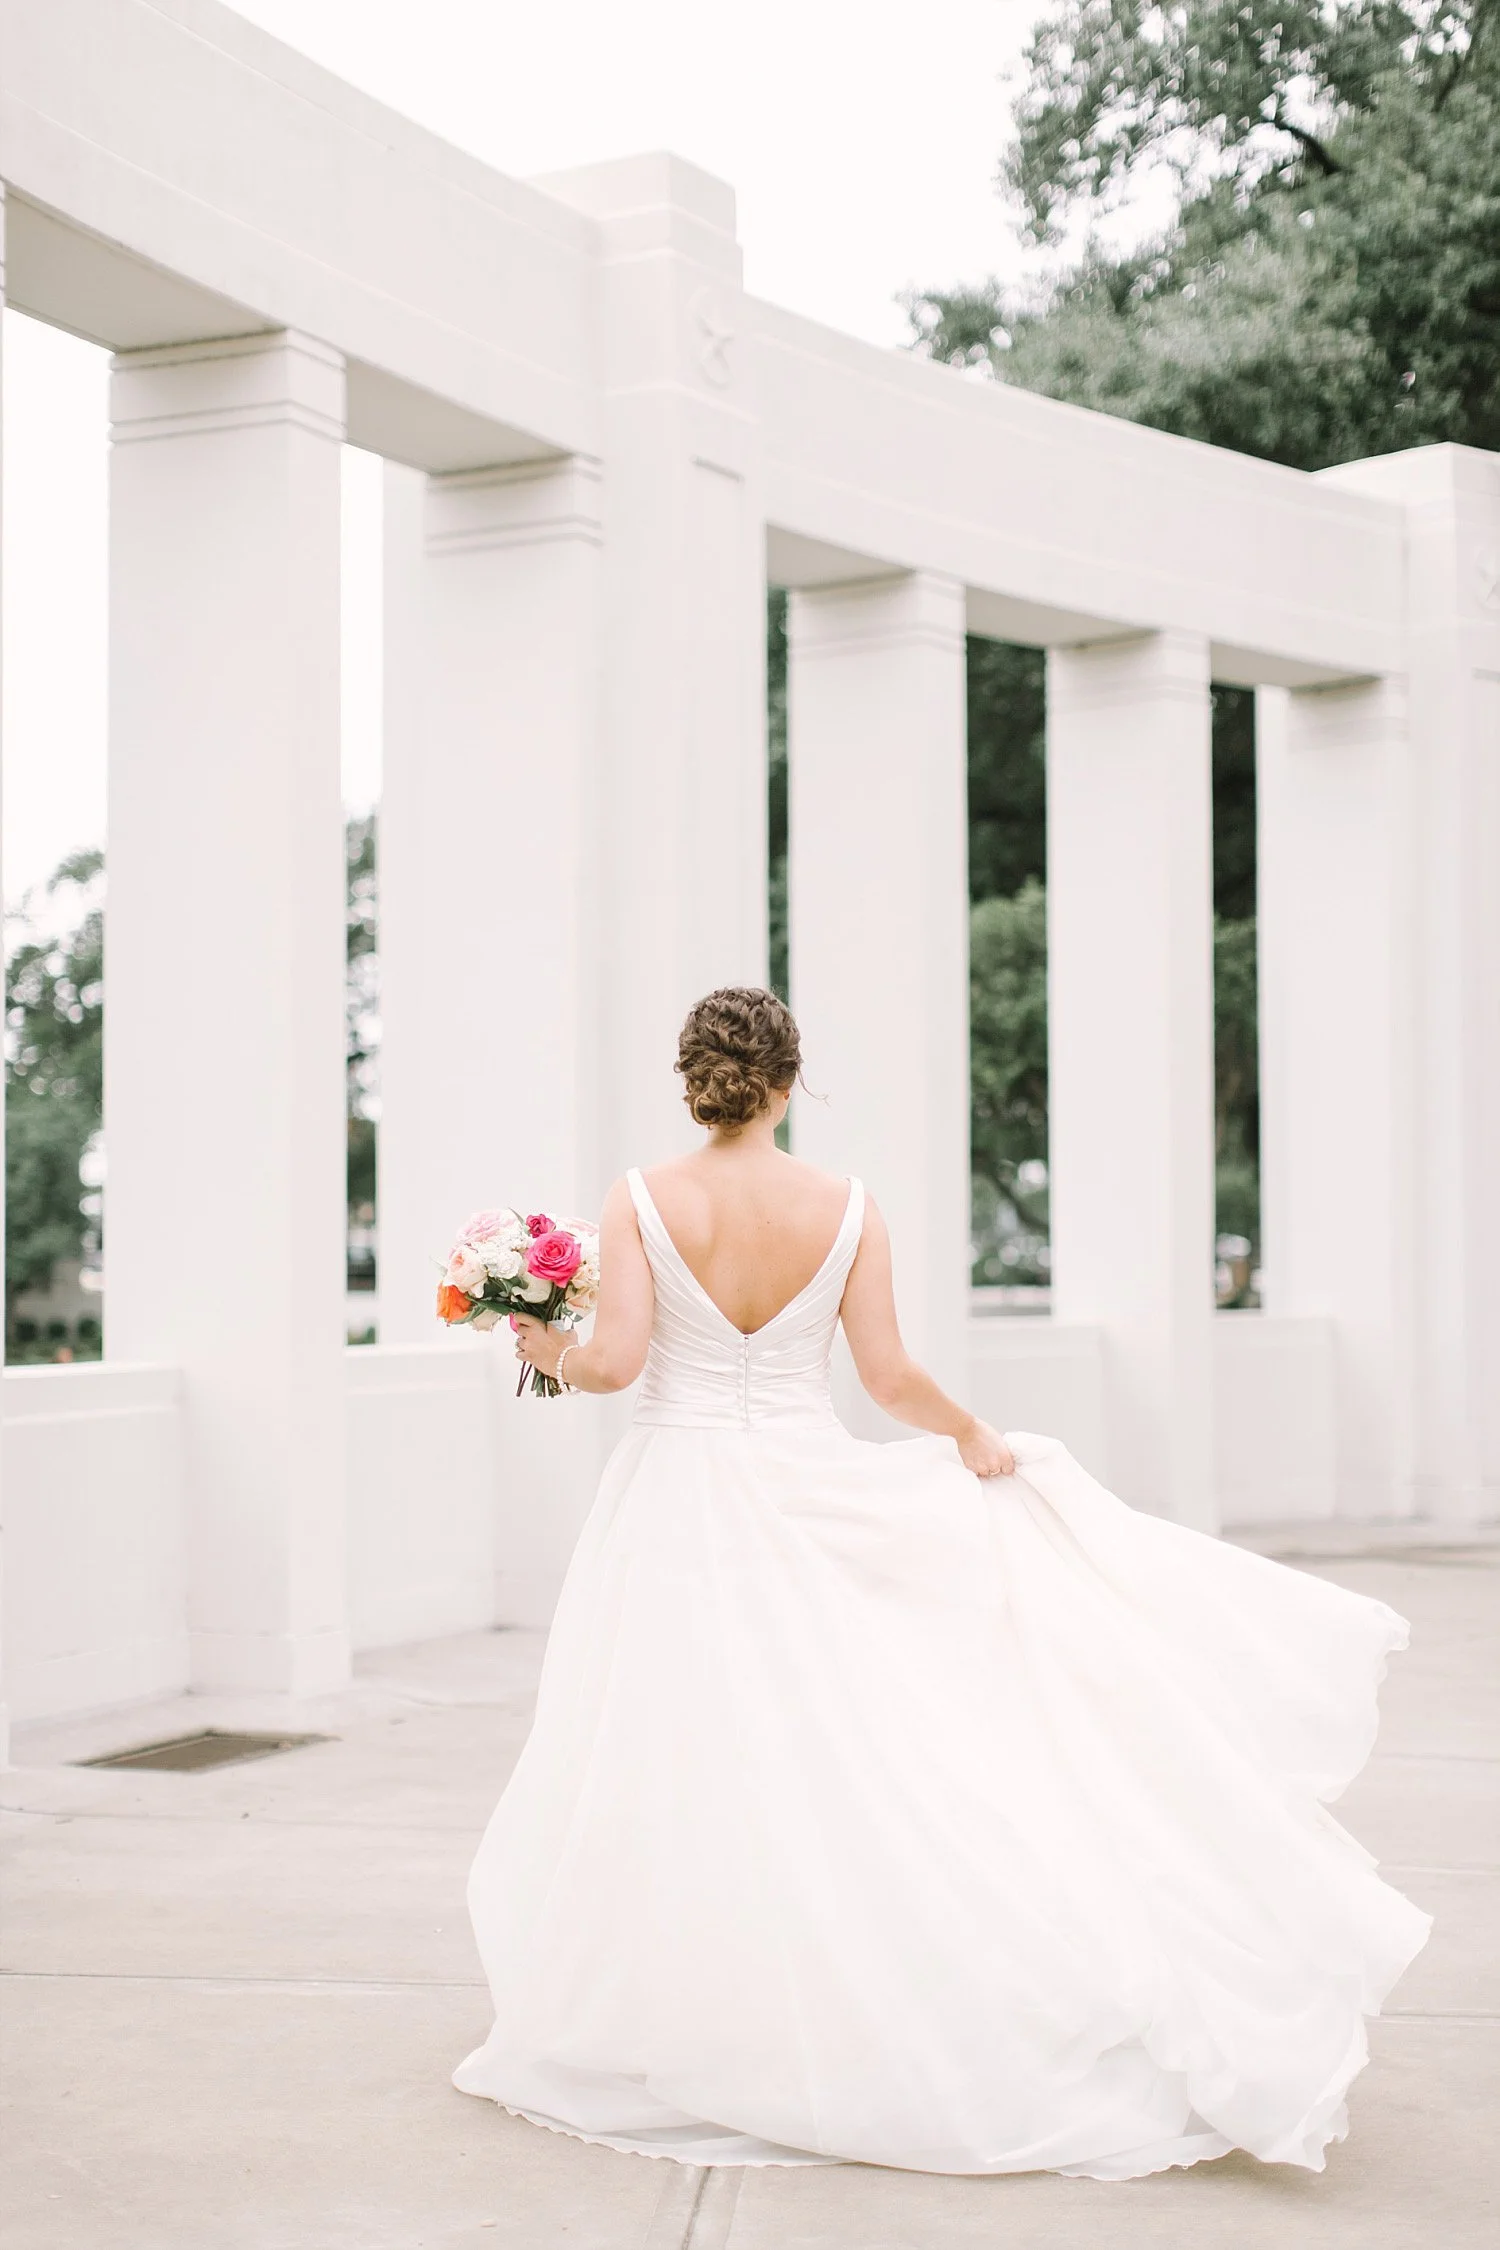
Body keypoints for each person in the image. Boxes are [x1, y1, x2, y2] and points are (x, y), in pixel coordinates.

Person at [454, 986, 1429, 2179]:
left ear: (693, 1079)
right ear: (788, 1081)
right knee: (834, 1752)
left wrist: (529, 1335)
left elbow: (609, 1367)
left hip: (677, 1503)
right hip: (803, 1488)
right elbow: (887, 1377)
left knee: (679, 1754)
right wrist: (972, 1433)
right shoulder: (848, 1206)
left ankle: (701, 2009)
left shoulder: (644, 1199)